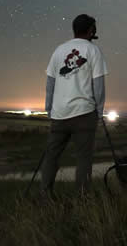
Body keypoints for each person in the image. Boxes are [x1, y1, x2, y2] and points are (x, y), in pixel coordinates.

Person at [41, 14, 108, 194]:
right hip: (84, 114)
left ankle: (45, 196)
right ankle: (82, 201)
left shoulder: (58, 50)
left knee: (51, 157)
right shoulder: (93, 51)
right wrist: (99, 111)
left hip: (59, 114)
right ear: (91, 30)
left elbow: (50, 83)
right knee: (84, 160)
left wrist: (49, 108)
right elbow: (98, 86)